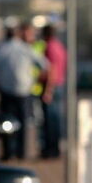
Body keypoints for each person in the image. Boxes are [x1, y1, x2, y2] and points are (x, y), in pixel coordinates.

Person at [0, 23, 46, 160]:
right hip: (24, 93)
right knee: (23, 124)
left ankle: (8, 152)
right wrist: (35, 82)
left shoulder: (2, 49)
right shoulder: (27, 49)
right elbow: (45, 67)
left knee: (6, 124)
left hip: (6, 93)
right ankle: (21, 153)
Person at [39, 24, 66, 158]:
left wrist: (48, 91)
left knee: (50, 121)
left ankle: (51, 150)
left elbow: (52, 70)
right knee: (55, 120)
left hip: (52, 86)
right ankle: (55, 149)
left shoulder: (49, 47)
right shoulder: (59, 46)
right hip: (59, 85)